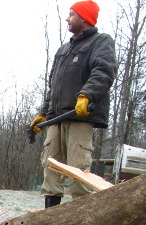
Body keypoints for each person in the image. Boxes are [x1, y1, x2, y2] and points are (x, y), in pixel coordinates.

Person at [30, 0, 117, 208]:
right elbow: (54, 85)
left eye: (72, 14)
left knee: (79, 170)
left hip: (79, 116)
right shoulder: (64, 49)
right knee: (50, 168)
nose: (68, 18)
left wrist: (86, 95)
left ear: (84, 18)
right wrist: (43, 113)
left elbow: (104, 71)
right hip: (55, 118)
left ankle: (82, 219)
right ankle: (49, 219)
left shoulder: (100, 42)